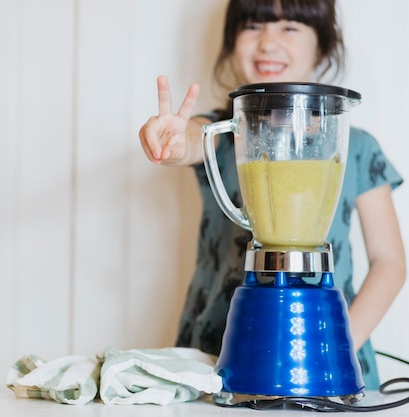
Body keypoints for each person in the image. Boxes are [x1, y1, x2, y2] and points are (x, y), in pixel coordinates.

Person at [138, 0, 406, 389]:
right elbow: (195, 139)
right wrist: (175, 141)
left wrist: (338, 346)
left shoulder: (359, 149)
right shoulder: (224, 132)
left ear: (323, 46)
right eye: (253, 26)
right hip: (215, 356)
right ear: (231, 44)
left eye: (290, 28)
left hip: (331, 351)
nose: (268, 41)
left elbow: (390, 263)